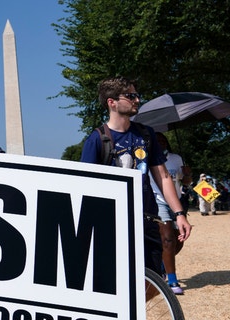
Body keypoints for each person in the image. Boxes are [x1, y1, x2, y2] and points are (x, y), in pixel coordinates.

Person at [80, 77, 192, 279]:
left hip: (146, 220)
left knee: (154, 281)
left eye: (137, 95)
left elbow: (163, 177)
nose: (137, 100)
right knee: (114, 280)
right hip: (112, 223)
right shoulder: (97, 139)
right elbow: (85, 187)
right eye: (130, 96)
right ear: (111, 102)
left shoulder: (146, 135)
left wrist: (179, 213)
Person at [150, 132, 191, 294]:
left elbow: (185, 181)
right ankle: (172, 281)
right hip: (158, 200)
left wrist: (187, 174)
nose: (161, 143)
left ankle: (162, 264)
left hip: (177, 203)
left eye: (163, 140)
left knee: (178, 241)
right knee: (167, 239)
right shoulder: (149, 157)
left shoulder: (176, 159)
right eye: (157, 141)